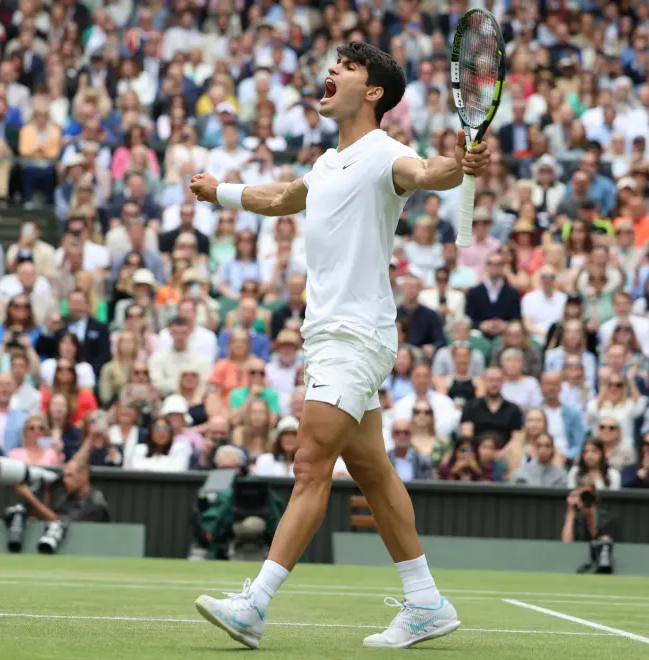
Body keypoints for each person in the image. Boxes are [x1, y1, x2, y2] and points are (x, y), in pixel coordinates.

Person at [189, 42, 488, 649]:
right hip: (328, 338)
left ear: (373, 92)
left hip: (356, 337)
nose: (330, 73)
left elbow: (429, 172)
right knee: (373, 473)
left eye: (346, 68)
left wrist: (460, 166)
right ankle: (427, 601)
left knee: (309, 466)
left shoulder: (387, 155)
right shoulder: (327, 164)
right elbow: (277, 199)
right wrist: (219, 190)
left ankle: (255, 604)